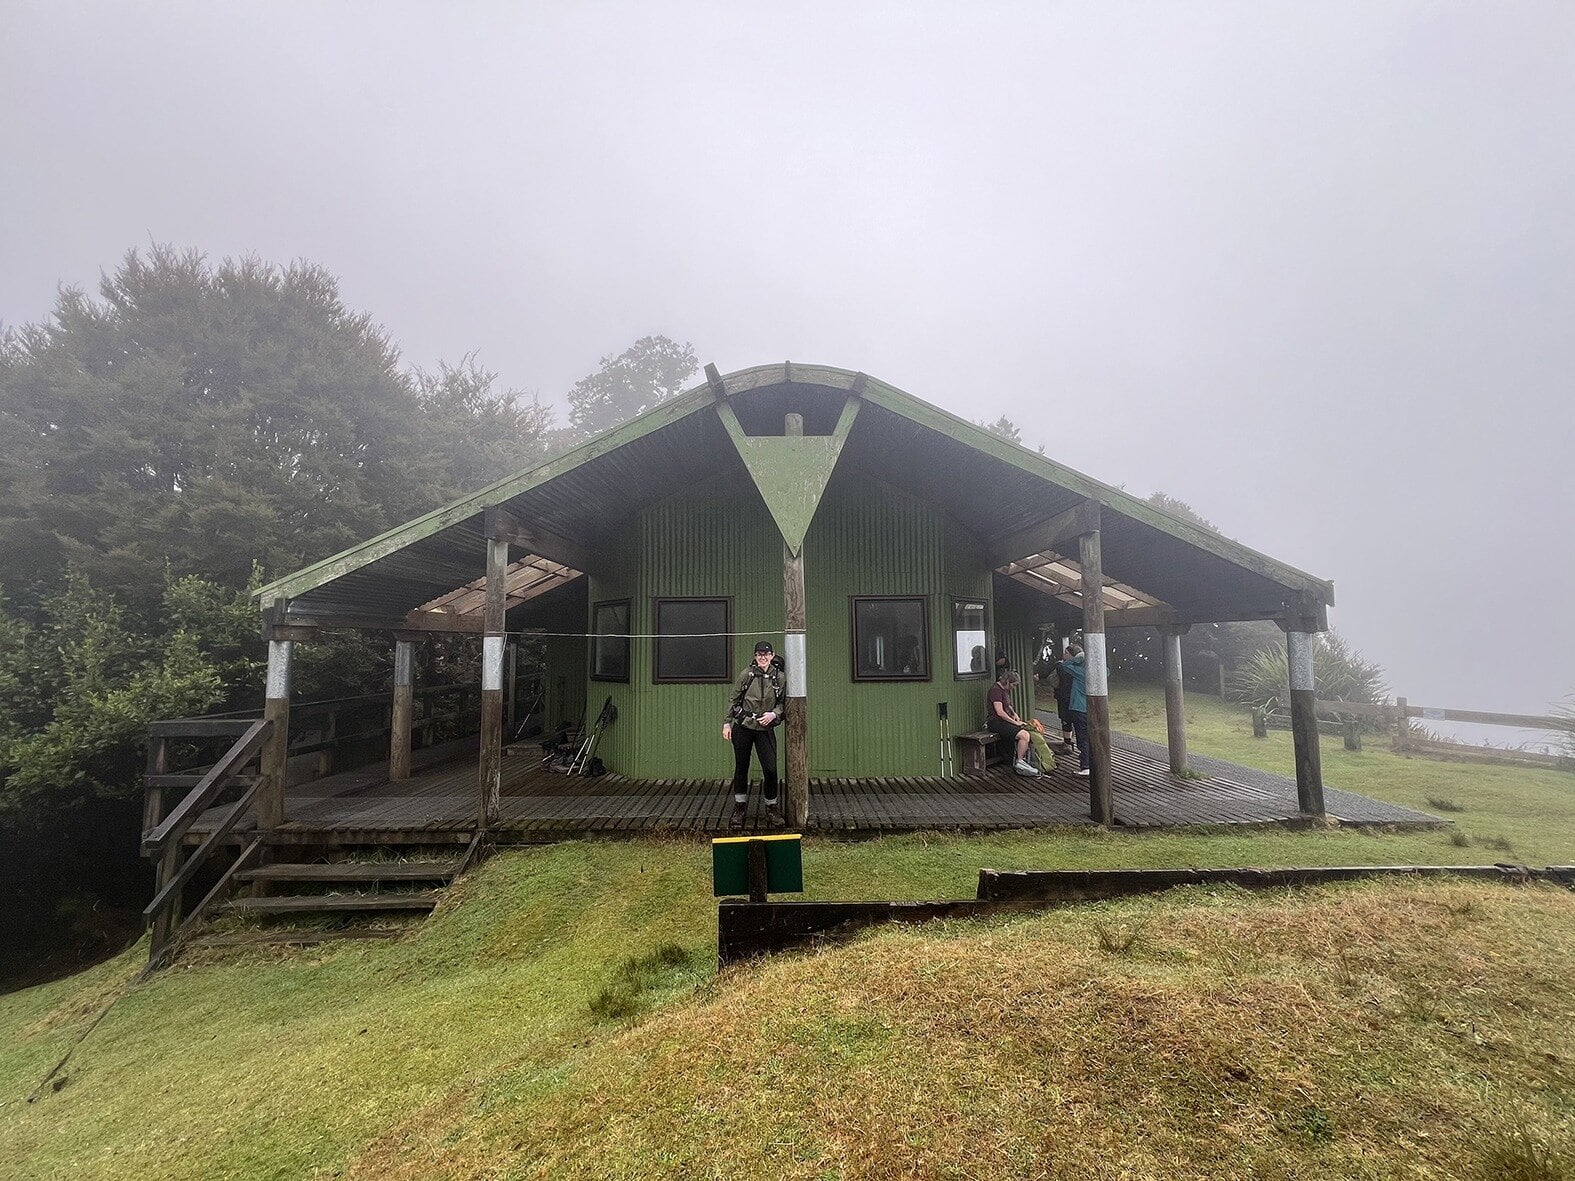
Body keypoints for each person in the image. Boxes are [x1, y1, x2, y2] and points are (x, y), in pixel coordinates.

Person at [722, 640, 786, 828]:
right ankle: (740, 807)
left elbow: (783, 703)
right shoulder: (746, 674)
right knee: (742, 767)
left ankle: (771, 807)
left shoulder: (779, 678)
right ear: (755, 657)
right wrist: (727, 723)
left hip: (765, 729)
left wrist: (774, 713)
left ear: (772, 656)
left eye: (766, 654)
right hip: (743, 727)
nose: (763, 657)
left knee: (771, 769)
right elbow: (733, 699)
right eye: (759, 654)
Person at [986, 670, 1042, 777]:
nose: (1014, 687)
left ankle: (1022, 758)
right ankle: (1019, 762)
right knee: (1024, 735)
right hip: (995, 721)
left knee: (1027, 729)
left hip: (1004, 720)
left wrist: (1014, 714)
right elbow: (1000, 712)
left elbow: (1008, 705)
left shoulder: (1005, 690)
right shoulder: (995, 690)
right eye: (1013, 685)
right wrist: (1014, 723)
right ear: (1007, 681)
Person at [1057, 644, 1090, 776]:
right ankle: (1090, 763)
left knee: (1082, 738)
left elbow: (1065, 666)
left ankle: (1086, 766)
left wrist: (1078, 658)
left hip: (1079, 708)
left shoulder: (1080, 672)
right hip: (1090, 708)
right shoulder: (1097, 671)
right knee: (1089, 737)